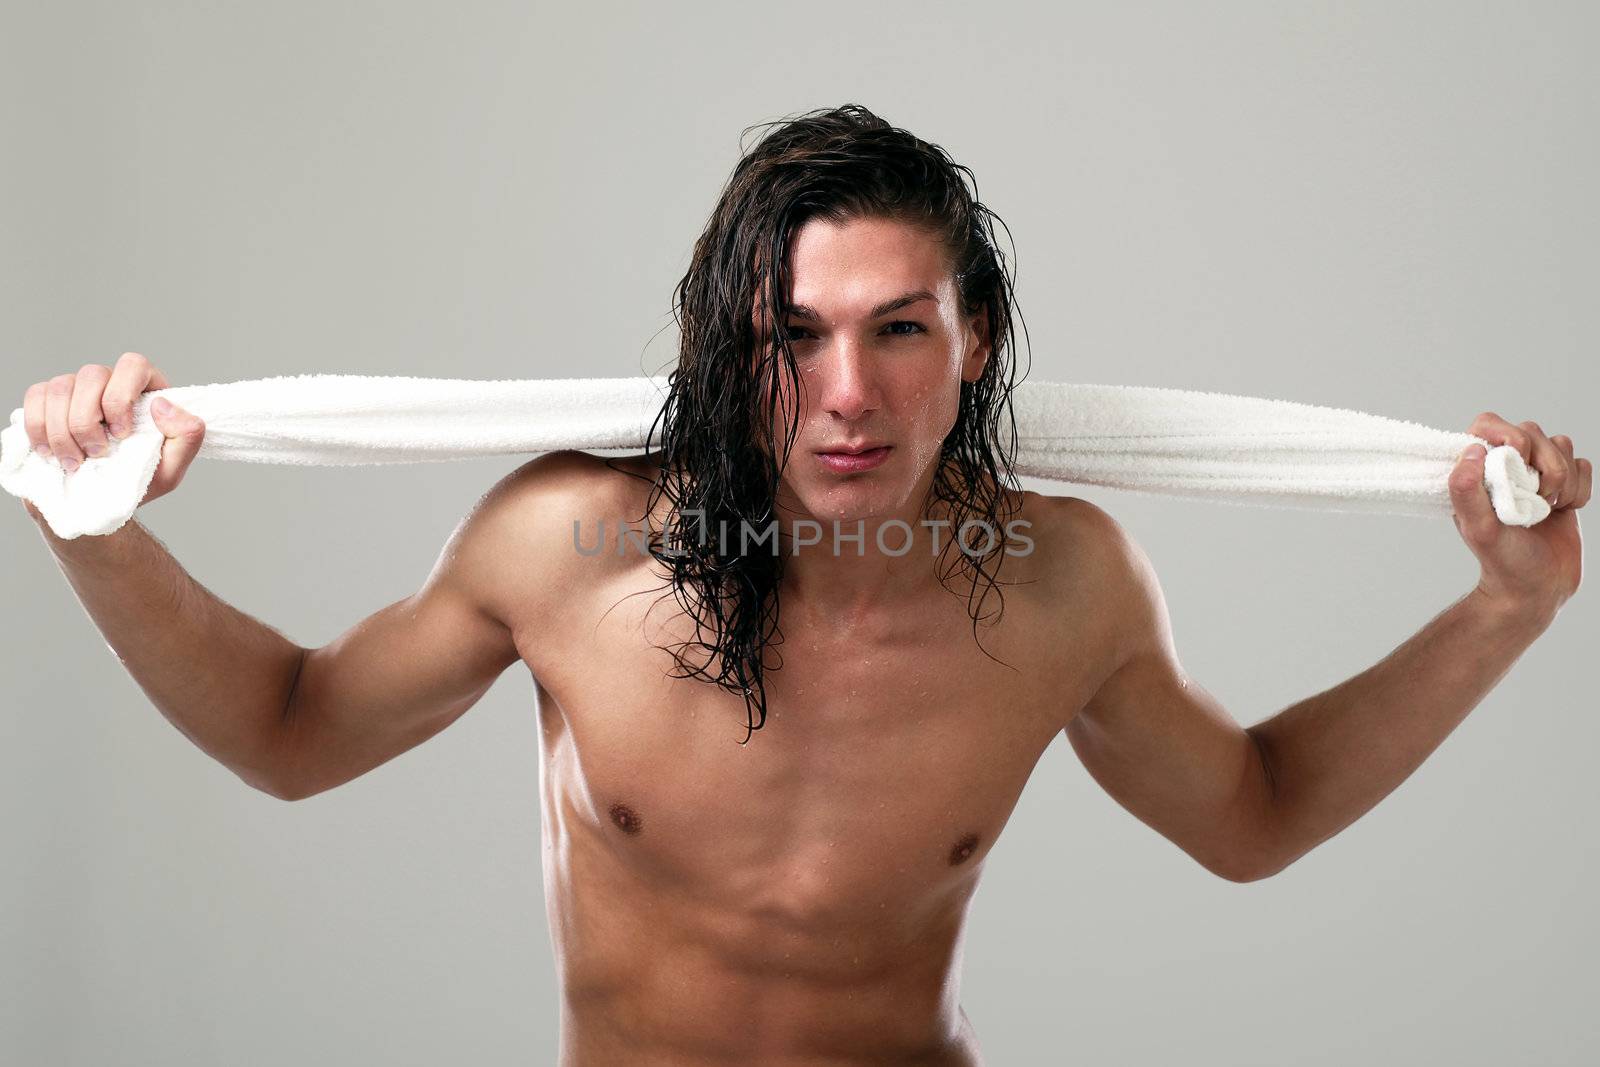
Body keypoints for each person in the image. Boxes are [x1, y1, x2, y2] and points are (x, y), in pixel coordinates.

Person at [18, 105, 1589, 1066]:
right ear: (726, 350)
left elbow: (1250, 815)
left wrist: (1506, 605)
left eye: (900, 329)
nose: (849, 393)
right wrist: (95, 529)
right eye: (794, 335)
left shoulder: (1063, 585)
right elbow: (293, 734)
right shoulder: (567, 548)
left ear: (972, 350)